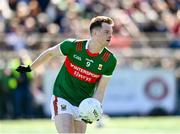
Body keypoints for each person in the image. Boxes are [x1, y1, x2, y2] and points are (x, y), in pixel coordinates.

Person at [16, 16, 117, 133]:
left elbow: (100, 90)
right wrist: (30, 67)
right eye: (106, 32)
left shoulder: (110, 60)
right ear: (94, 33)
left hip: (82, 105)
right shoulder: (73, 46)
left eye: (111, 32)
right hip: (63, 97)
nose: (110, 35)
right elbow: (50, 53)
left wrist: (94, 109)